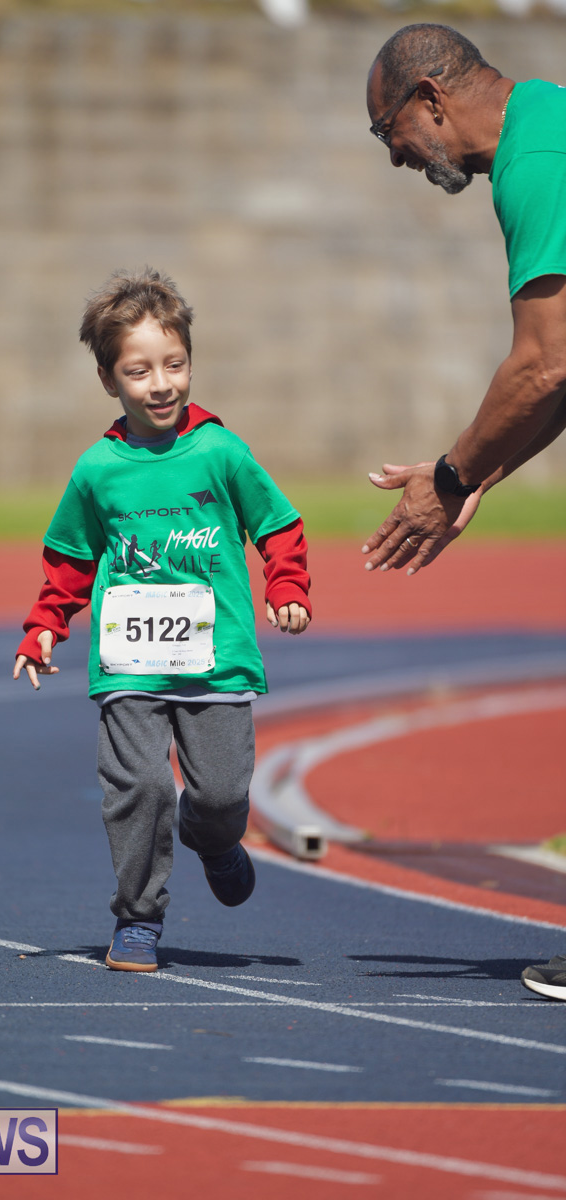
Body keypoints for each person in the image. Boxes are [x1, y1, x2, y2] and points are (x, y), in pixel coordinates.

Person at [13, 267, 311, 972]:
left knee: (221, 795)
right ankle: (138, 918)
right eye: (139, 370)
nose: (161, 384)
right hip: (129, 662)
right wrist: (46, 623)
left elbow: (278, 524)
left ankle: (214, 838)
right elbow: (70, 557)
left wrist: (287, 585)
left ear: (190, 362)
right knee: (140, 788)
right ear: (108, 379)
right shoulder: (97, 469)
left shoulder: (221, 452)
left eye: (174, 365)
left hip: (218, 659)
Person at [364, 24, 566, 1002]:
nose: (397, 158)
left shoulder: (536, 160)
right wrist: (479, 476)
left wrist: (448, 477)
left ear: (430, 99)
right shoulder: (545, 128)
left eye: (388, 133)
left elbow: (545, 363)